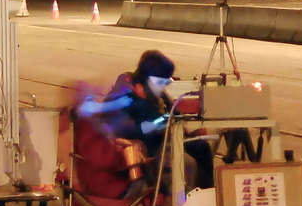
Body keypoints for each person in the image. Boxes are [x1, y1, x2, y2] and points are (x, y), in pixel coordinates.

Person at [78, 50, 214, 190]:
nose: (164, 86)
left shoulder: (158, 95)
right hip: (144, 153)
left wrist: (182, 120)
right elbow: (135, 130)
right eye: (161, 82)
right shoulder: (124, 98)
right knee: (186, 164)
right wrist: (163, 120)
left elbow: (174, 113)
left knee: (201, 147)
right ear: (148, 79)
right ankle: (184, 204)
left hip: (164, 141)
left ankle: (208, 195)